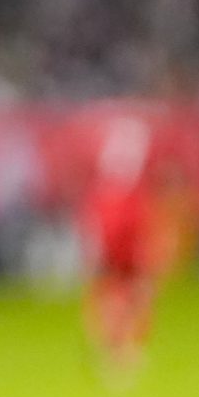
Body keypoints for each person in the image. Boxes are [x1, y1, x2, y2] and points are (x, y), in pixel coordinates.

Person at [80, 116, 164, 378]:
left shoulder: (112, 192)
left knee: (121, 299)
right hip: (118, 250)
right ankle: (121, 351)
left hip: (117, 250)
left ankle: (121, 351)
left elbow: (104, 225)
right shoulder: (120, 193)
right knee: (124, 299)